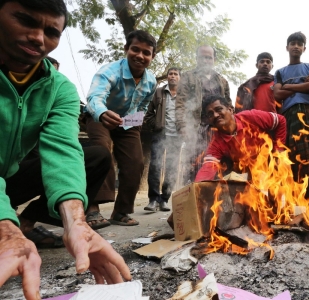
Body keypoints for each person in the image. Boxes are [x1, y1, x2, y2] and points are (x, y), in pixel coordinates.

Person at [0, 0, 131, 298]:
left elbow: (61, 150)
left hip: (10, 179)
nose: (38, 37)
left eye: (51, 31)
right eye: (25, 21)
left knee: (95, 154)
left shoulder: (60, 88)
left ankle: (26, 220)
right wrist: (5, 229)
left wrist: (76, 223)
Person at [85, 30, 157, 227]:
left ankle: (121, 211)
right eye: (135, 49)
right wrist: (102, 113)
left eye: (146, 53)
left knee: (136, 162)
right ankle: (92, 209)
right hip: (100, 116)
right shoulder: (109, 71)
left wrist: (136, 120)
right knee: (101, 152)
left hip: (128, 122)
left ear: (152, 56)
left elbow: (144, 105)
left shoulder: (151, 81)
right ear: (126, 49)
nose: (140, 56)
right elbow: (94, 98)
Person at [273, 32, 309, 203]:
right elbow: (277, 94)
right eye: (293, 43)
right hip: (288, 116)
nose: (296, 46)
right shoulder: (280, 72)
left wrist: (288, 86)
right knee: (290, 158)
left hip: (308, 114)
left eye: (299, 43)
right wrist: (302, 85)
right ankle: (294, 204)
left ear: (304, 48)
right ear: (287, 47)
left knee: (308, 156)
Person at [195, 95, 286, 181]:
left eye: (218, 109)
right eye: (210, 114)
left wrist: (278, 151)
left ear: (230, 110)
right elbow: (207, 168)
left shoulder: (251, 117)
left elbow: (280, 120)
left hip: (273, 164)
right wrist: (196, 188)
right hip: (250, 175)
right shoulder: (216, 143)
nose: (215, 115)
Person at [175, 45, 231, 180]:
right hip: (196, 129)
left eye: (209, 58)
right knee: (194, 166)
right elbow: (180, 104)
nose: (205, 61)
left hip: (219, 130)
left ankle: (219, 199)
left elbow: (228, 105)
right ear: (196, 58)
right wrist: (183, 127)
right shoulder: (187, 77)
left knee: (221, 166)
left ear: (214, 59)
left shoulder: (222, 81)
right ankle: (193, 198)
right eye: (202, 57)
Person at [144, 67, 182, 212]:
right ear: (167, 77)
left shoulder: (183, 95)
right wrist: (157, 126)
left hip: (176, 137)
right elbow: (148, 114)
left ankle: (164, 199)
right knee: (155, 166)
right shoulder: (158, 92)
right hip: (160, 135)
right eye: (170, 74)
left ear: (180, 78)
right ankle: (153, 199)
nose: (172, 76)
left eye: (175, 74)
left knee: (171, 168)